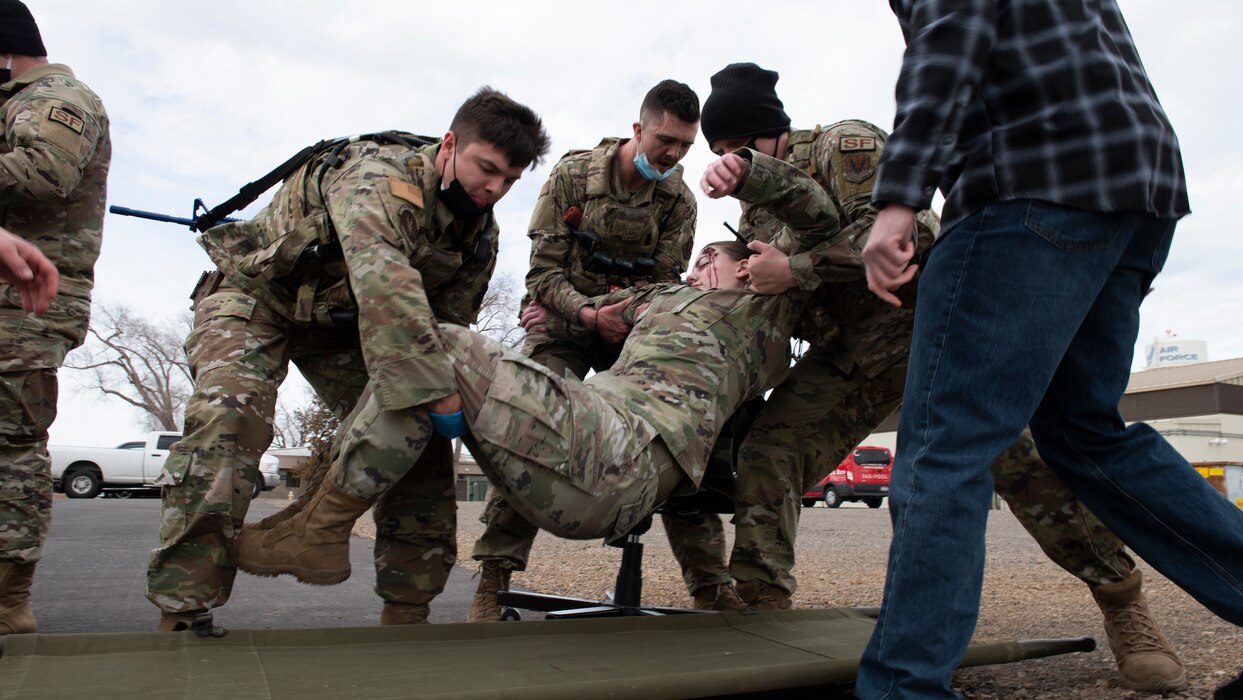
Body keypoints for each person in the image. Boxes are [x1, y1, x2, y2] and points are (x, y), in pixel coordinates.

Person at [671, 61, 1187, 691]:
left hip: (934, 336)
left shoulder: (844, 145)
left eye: (738, 145)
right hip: (852, 356)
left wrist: (797, 267)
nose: (730, 160)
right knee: (769, 451)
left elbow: (908, 229)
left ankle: (1123, 601)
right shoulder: (754, 215)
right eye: (718, 151)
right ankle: (759, 612)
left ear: (772, 131)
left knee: (1022, 469)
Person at [234, 149, 841, 600]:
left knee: (441, 346)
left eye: (720, 257)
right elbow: (585, 309)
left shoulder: (761, 313)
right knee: (425, 370)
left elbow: (819, 219)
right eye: (701, 254)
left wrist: (751, 172)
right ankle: (327, 530)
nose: (704, 261)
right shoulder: (660, 298)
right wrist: (558, 307)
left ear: (756, 268)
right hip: (584, 454)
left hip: (630, 458)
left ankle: (320, 525)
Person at [857, 2, 1243, 699]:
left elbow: (947, 41)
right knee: (1084, 432)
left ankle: (902, 688)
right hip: (1136, 188)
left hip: (1030, 186)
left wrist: (897, 199)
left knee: (946, 446)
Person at [145, 88, 549, 633]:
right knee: (229, 418)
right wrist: (435, 386)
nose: (494, 190)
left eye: (510, 181)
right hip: (259, 297)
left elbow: (446, 330)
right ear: (449, 144)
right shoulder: (377, 177)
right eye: (487, 169)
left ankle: (408, 612)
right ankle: (183, 607)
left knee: (420, 436)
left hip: (344, 328)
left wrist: (442, 396)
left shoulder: (479, 236)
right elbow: (386, 284)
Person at [466, 79, 700, 622]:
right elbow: (542, 274)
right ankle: (494, 580)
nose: (673, 154)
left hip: (631, 331)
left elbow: (665, 284)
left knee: (679, 432)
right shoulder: (573, 177)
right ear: (638, 128)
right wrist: (587, 313)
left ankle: (710, 583)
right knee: (529, 428)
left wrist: (620, 315)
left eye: (686, 146)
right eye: (666, 139)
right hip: (567, 325)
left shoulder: (678, 202)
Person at [0, 0, 110, 637]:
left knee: (10, 446)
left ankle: (7, 599)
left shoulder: (56, 97)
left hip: (25, 307)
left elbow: (45, 171)